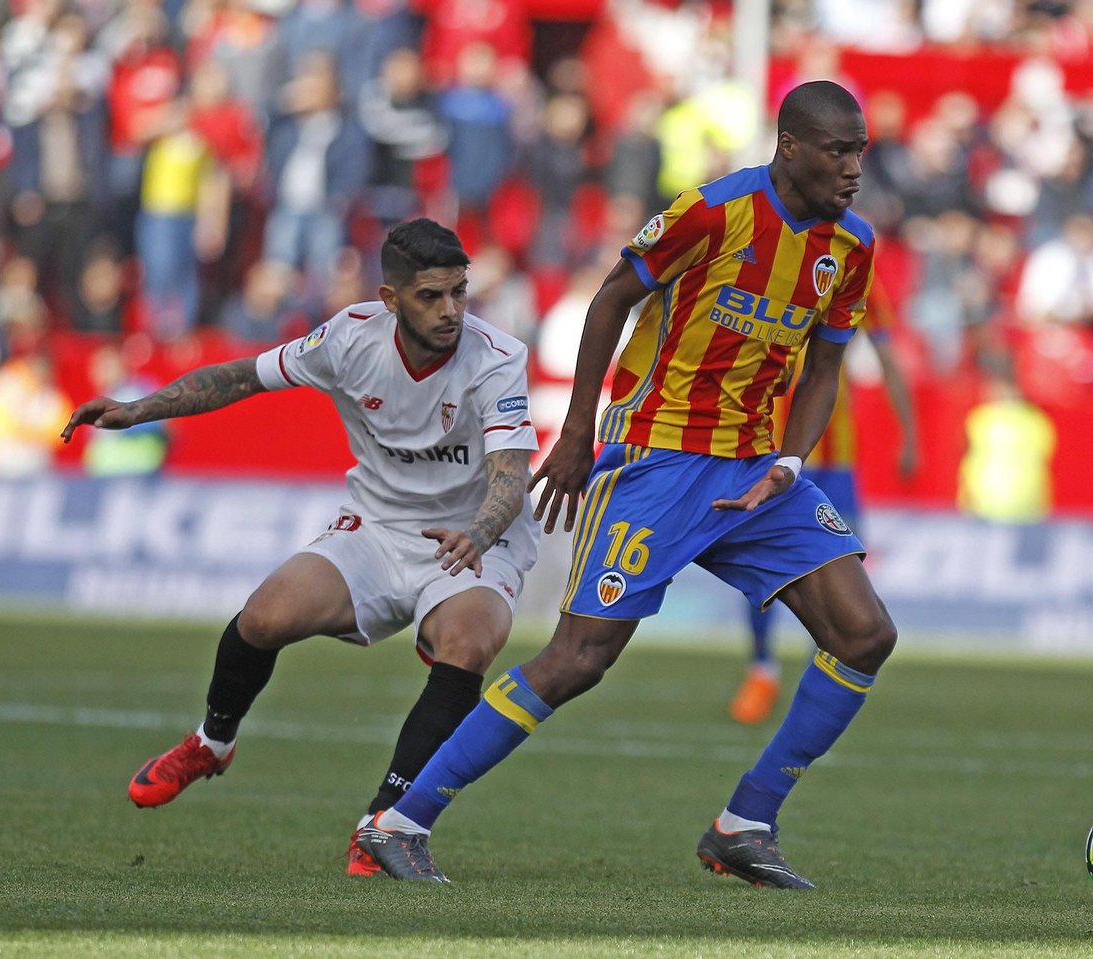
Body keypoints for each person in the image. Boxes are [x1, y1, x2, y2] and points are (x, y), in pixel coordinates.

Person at [356, 81, 897, 888]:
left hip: (753, 468)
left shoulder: (850, 245)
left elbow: (825, 365)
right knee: (579, 658)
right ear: (790, 147)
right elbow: (613, 297)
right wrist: (577, 432)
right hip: (657, 457)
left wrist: (787, 462)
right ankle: (396, 822)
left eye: (861, 151)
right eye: (838, 150)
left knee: (863, 633)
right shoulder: (713, 212)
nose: (854, 168)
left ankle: (745, 823)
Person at [60, 219, 541, 874]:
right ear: (391, 299)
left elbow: (513, 474)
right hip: (378, 524)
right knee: (264, 616)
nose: (452, 309)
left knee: (469, 640)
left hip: (475, 533)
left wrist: (479, 532)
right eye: (432, 295)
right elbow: (241, 378)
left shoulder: (497, 356)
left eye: (459, 291)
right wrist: (140, 409)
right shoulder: (349, 338)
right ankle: (212, 741)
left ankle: (385, 823)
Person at [730, 286, 917, 725]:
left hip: (836, 461)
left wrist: (909, 432)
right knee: (758, 566)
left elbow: (887, 357)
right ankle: (762, 669)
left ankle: (822, 682)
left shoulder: (860, 285)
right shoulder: (778, 272)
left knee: (844, 573)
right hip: (769, 450)